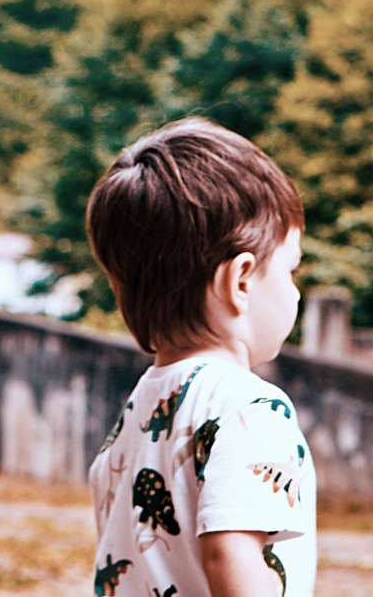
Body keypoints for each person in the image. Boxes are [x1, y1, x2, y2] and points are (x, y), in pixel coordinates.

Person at [86, 117, 317, 597]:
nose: (295, 293)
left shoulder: (136, 415)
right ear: (241, 280)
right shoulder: (251, 408)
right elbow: (229, 555)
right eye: (291, 270)